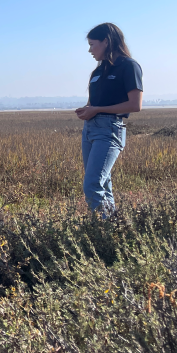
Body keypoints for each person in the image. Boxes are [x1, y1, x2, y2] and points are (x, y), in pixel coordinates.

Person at [75, 23, 143, 215]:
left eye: (92, 44)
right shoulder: (98, 71)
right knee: (102, 185)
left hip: (109, 129)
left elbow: (135, 105)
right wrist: (87, 110)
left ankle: (103, 234)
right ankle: (112, 228)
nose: (90, 50)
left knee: (92, 185)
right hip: (90, 130)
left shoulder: (129, 66)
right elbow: (93, 103)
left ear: (106, 42)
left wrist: (98, 110)